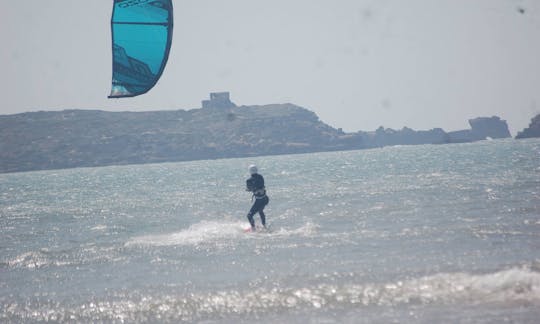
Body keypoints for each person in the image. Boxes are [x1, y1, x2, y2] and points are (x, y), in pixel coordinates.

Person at [245, 164, 269, 231]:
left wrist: (248, 189)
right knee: (260, 211)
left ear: (249, 171)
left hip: (259, 201)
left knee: (249, 216)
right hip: (265, 199)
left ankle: (253, 228)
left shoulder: (249, 181)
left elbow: (249, 189)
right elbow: (261, 186)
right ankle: (264, 226)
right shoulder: (261, 177)